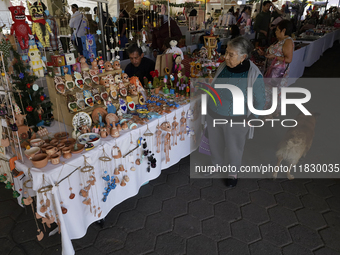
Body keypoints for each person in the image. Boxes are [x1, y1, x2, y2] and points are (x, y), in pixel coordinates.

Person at [206, 37, 265, 187]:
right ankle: (216, 163)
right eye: (226, 53)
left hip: (237, 118)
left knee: (234, 147)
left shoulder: (254, 74)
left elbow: (261, 101)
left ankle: (233, 171)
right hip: (214, 113)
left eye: (231, 54)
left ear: (243, 57)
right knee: (215, 142)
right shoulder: (224, 67)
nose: (226, 57)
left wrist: (252, 117)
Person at [261, 20, 294, 117]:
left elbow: (289, 59)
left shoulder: (287, 41)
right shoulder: (280, 41)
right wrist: (264, 54)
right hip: (272, 71)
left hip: (278, 73)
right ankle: (269, 113)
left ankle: (271, 113)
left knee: (273, 91)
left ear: (284, 30)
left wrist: (274, 57)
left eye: (277, 30)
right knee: (269, 91)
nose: (275, 32)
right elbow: (275, 53)